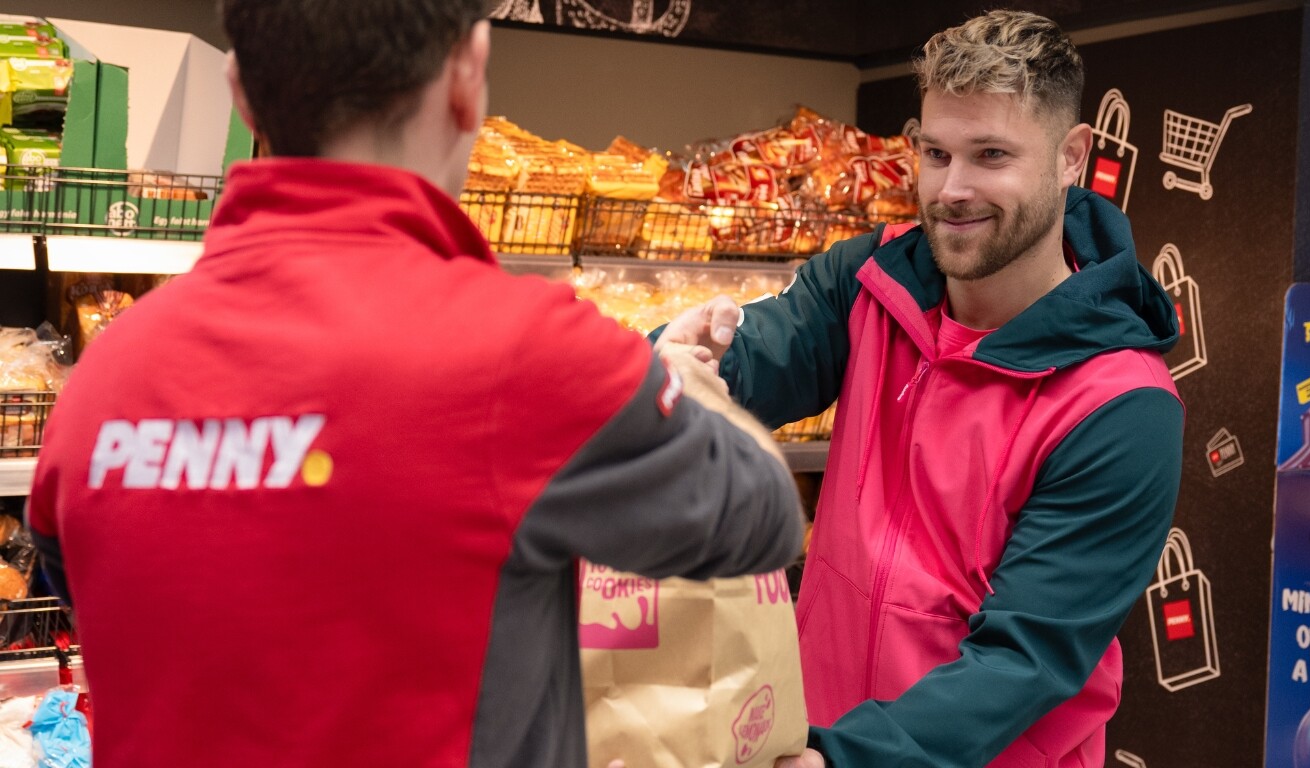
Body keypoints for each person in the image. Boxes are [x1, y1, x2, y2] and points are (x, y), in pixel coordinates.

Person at [23, 2, 805, 767]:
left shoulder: (102, 381)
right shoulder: (533, 358)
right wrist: (667, 380)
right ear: (469, 74)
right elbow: (765, 517)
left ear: (241, 91)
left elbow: (96, 586)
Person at [663, 10, 1185, 768]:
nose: (953, 189)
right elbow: (747, 363)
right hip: (807, 739)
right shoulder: (870, 281)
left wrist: (847, 760)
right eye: (936, 153)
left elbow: (1022, 661)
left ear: (1072, 157)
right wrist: (670, 361)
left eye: (992, 155)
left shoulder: (1120, 406)